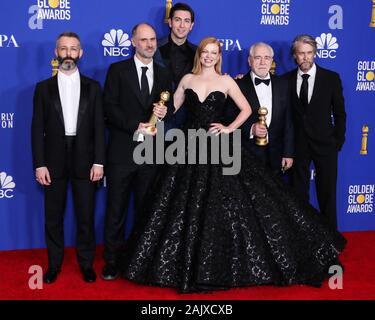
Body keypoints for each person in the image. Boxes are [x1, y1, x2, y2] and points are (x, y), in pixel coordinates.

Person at [118, 37, 346, 293]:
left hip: (218, 146)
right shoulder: (186, 79)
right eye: (205, 52)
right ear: (200, 54)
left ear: (219, 56)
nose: (208, 56)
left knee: (231, 203)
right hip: (189, 146)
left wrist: (228, 128)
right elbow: (173, 109)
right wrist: (160, 113)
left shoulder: (227, 81)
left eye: (214, 53)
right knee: (183, 205)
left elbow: (247, 109)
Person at [31, 32, 105, 284]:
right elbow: (36, 128)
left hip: (85, 158)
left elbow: (98, 127)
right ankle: (54, 265)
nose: (68, 54)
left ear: (80, 53)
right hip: (53, 160)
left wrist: (99, 161)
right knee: (53, 216)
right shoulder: (43, 88)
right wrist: (39, 164)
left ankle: (86, 264)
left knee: (85, 215)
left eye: (73, 49)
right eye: (63, 49)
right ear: (56, 52)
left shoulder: (94, 88)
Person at [102, 23, 173, 281]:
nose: (150, 44)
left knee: (146, 210)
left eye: (153, 40)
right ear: (133, 41)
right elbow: (109, 107)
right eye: (144, 40)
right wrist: (136, 125)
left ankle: (142, 261)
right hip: (122, 153)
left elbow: (170, 108)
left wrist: (166, 113)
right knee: (116, 210)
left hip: (151, 154)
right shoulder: (117, 70)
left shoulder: (164, 74)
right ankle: (112, 261)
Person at [283, 34, 346, 230]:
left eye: (309, 53)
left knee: (327, 193)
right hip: (298, 145)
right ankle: (303, 238)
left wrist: (337, 141)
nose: (305, 58)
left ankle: (330, 240)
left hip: (326, 144)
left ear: (315, 53)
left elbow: (340, 113)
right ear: (294, 55)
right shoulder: (285, 80)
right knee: (298, 194)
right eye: (301, 53)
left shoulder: (331, 78)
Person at [227, 42, 293, 175]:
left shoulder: (284, 85)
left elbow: (289, 122)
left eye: (267, 58)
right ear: (249, 61)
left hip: (276, 156)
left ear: (272, 61)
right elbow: (228, 117)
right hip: (245, 155)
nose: (263, 62)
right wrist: (251, 128)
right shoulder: (236, 85)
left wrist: (288, 153)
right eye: (257, 58)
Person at [154, 2, 196, 130]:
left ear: (191, 26)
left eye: (186, 21)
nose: (182, 25)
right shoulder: (153, 47)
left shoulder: (199, 53)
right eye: (178, 20)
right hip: (157, 118)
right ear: (170, 22)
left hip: (189, 121)